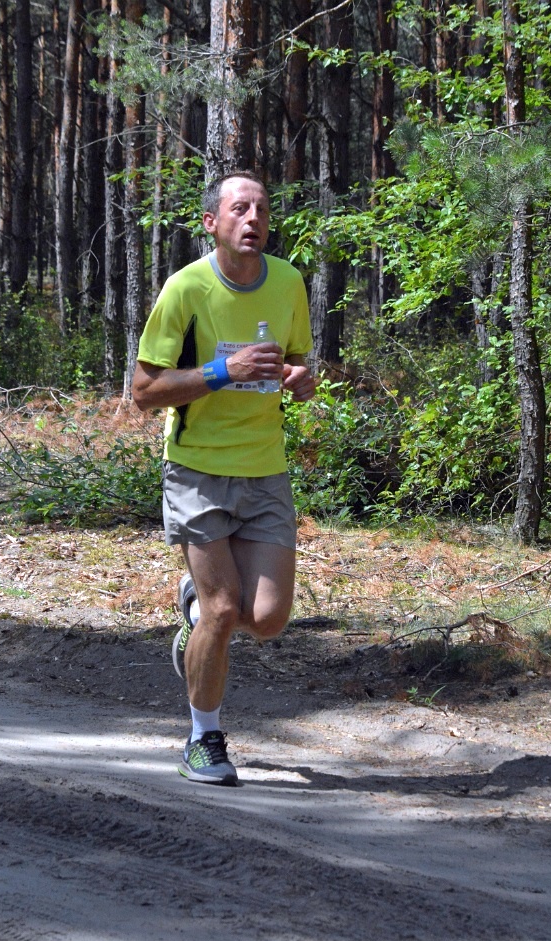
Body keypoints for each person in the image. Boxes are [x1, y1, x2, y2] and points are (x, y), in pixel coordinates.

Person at [132, 170, 316, 786]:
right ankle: (203, 737)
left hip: (265, 468)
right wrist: (223, 371)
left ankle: (193, 612)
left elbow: (299, 361)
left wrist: (301, 379)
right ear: (212, 223)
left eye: (261, 209)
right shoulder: (186, 288)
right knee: (222, 608)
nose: (253, 218)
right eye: (240, 209)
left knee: (266, 619)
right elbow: (144, 391)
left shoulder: (288, 282)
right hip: (197, 469)